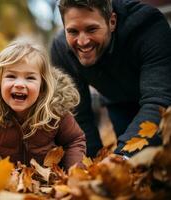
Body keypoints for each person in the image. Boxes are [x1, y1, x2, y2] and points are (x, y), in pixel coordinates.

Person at [51, 0, 171, 157]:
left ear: (112, 21)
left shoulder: (148, 25)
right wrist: (94, 165)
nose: (82, 41)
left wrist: (121, 158)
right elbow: (79, 116)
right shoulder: (61, 50)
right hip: (117, 102)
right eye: (73, 31)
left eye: (92, 29)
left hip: (160, 101)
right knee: (136, 168)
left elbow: (159, 100)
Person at [0, 39, 86, 171]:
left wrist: (72, 171)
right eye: (11, 76)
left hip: (48, 181)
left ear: (42, 86)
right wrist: (3, 173)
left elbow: (74, 141)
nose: (19, 84)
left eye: (30, 78)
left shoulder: (55, 114)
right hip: (10, 183)